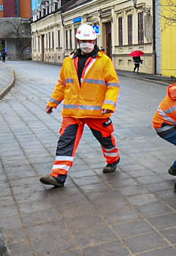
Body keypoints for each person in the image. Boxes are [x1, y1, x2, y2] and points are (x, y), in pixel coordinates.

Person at [40, 24, 121, 188]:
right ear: (77, 40)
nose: (87, 43)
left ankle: (113, 159)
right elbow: (62, 84)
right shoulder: (68, 61)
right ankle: (58, 176)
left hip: (96, 112)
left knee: (105, 139)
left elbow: (113, 84)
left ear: (95, 40)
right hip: (72, 112)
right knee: (65, 142)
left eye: (90, 40)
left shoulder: (104, 61)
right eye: (83, 40)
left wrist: (109, 105)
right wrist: (53, 103)